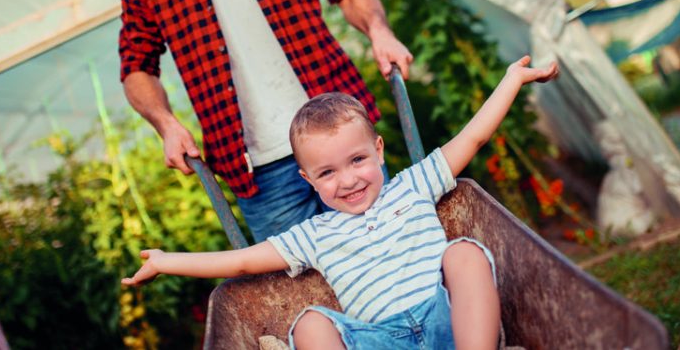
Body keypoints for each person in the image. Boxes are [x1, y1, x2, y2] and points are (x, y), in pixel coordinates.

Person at [122, 55, 559, 349]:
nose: (347, 180)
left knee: (464, 253)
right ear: (307, 179)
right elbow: (239, 263)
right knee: (310, 322)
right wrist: (165, 261)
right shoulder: (313, 235)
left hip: (448, 318)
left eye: (357, 160)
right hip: (379, 339)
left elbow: (475, 135)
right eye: (327, 173)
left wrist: (512, 80)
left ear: (380, 151)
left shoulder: (414, 184)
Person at [120, 0, 413, 241]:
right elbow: (136, 65)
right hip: (259, 174)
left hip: (341, 141)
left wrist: (379, 30)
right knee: (303, 295)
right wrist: (166, 124)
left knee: (395, 256)